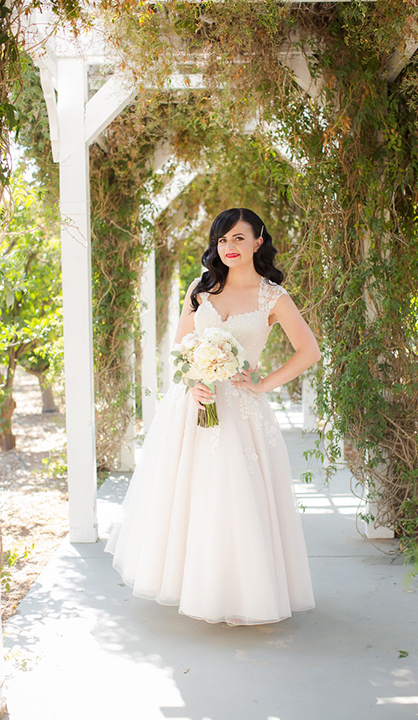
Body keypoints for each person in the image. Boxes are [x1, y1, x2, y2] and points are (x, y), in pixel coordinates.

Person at [104, 207, 322, 626]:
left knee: (236, 500)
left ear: (259, 241)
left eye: (239, 238)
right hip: (194, 405)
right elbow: (183, 347)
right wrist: (192, 382)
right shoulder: (200, 290)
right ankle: (194, 586)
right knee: (191, 496)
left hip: (242, 410)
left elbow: (309, 351)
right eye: (222, 240)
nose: (229, 247)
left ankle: (241, 593)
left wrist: (263, 384)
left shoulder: (272, 296)